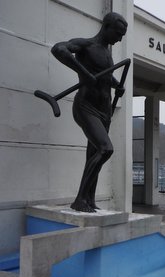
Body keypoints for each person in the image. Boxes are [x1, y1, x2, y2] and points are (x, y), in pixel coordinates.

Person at [51, 12, 128, 212]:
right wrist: (84, 73)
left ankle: (88, 200)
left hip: (105, 111)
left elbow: (104, 76)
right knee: (106, 149)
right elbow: (58, 49)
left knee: (93, 155)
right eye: (118, 33)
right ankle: (79, 199)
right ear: (107, 26)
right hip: (86, 107)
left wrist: (117, 85)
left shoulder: (107, 52)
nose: (120, 38)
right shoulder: (86, 45)